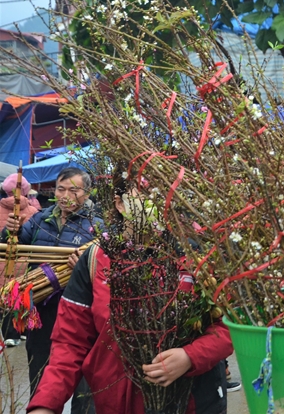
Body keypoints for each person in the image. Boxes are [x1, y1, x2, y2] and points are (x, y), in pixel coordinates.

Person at [27, 177, 233, 414]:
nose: (154, 203)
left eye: (162, 195)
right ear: (120, 203)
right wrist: (45, 404)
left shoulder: (196, 257)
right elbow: (70, 342)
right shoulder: (97, 259)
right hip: (114, 400)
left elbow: (230, 325)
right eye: (144, 194)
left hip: (193, 401)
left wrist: (190, 356)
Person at [2, 167, 102, 410]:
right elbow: (12, 247)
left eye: (73, 190)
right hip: (41, 309)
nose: (65, 196)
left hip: (79, 312)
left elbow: (106, 268)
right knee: (39, 374)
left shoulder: (97, 226)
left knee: (83, 384)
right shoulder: (40, 219)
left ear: (87, 193)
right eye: (60, 189)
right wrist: (10, 232)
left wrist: (87, 266)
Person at [0, 173, 39, 348]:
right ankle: (22, 331)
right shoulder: (33, 211)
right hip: (25, 262)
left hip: (3, 261)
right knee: (22, 294)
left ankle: (10, 334)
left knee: (6, 295)